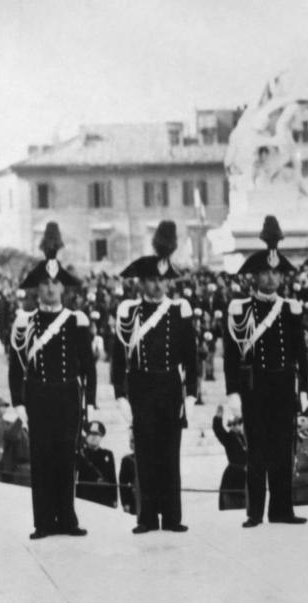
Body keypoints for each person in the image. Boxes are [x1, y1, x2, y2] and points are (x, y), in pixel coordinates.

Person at [9, 223, 95, 540]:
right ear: (36, 288)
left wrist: (93, 402)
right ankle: (44, 521)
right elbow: (17, 367)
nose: (49, 289)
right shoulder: (25, 322)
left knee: (65, 457)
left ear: (63, 289)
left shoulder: (76, 320)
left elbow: (88, 366)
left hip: (68, 395)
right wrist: (19, 403)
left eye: (55, 284)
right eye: (44, 284)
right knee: (42, 459)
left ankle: (67, 519)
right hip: (39, 396)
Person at [223, 215, 308, 527]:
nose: (271, 279)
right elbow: (231, 355)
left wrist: (304, 390)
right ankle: (255, 512)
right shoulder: (239, 309)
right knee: (257, 450)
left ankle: (282, 509)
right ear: (254, 276)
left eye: (276, 273)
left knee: (283, 449)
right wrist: (232, 391)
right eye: (265, 273)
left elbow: (301, 353)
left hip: (284, 384)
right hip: (255, 385)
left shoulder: (291, 309)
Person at [112, 222, 197, 534]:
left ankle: (172, 517)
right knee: (145, 457)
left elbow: (191, 359)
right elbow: (118, 360)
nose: (156, 287)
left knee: (170, 456)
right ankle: (147, 517)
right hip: (142, 390)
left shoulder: (179, 312)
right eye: (150, 281)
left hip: (170, 390)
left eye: (162, 281)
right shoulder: (128, 314)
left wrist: (191, 395)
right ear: (141, 284)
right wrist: (121, 396)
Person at [212, 405, 248, 510]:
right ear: (231, 426)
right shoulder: (229, 438)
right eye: (236, 424)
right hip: (232, 476)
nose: (239, 426)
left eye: (240, 423)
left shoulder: (244, 437)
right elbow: (218, 430)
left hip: (245, 475)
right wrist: (218, 418)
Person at [75, 420, 118, 508]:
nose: (94, 437)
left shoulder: (107, 454)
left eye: (97, 435)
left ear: (101, 437)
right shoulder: (80, 454)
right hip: (85, 496)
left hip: (104, 497)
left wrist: (114, 499)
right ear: (86, 437)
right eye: (91, 434)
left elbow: (112, 478)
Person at [119, 431, 139, 515]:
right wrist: (125, 503)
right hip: (133, 499)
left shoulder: (151, 459)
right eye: (132, 441)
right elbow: (123, 483)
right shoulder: (127, 460)